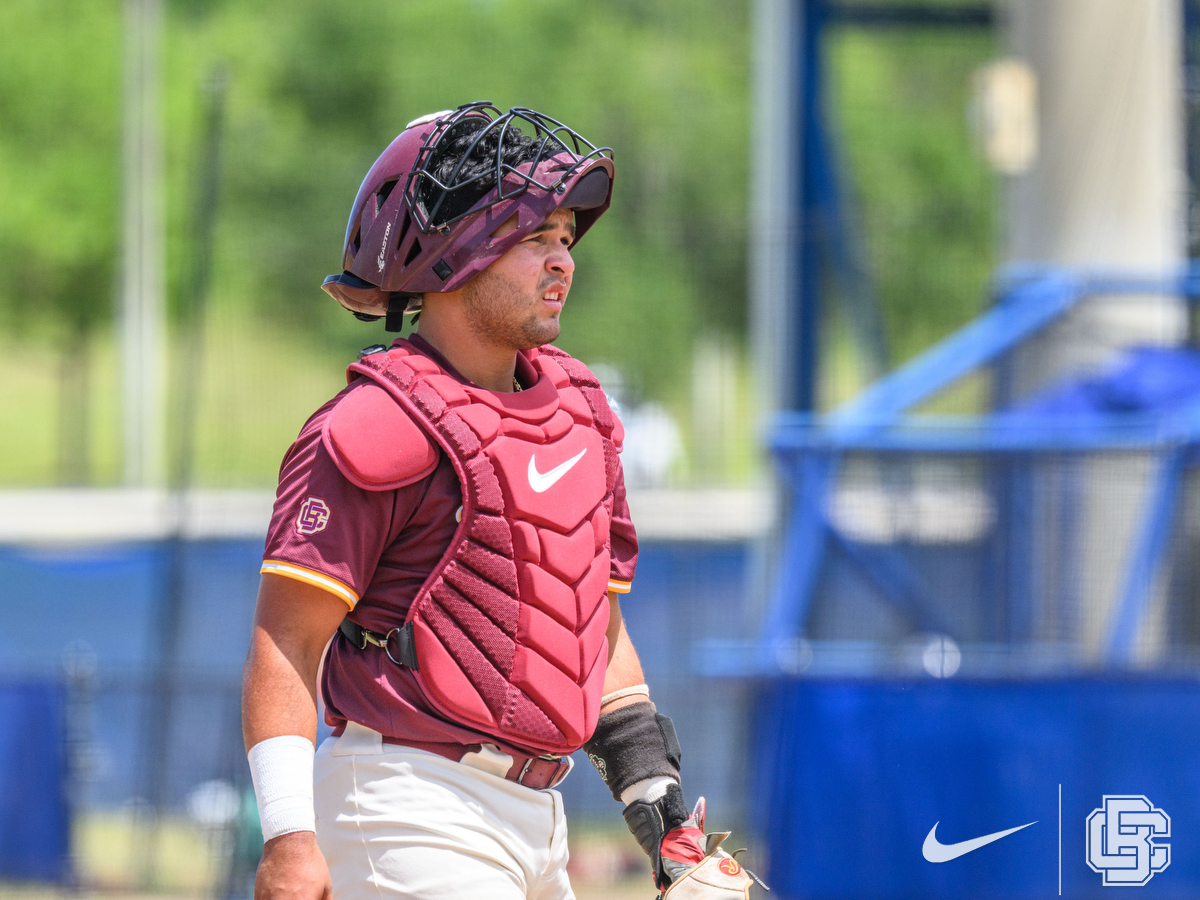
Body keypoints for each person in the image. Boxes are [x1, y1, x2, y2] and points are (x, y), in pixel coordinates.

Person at [241, 103, 757, 900]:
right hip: (406, 804)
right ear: (456, 256)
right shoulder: (379, 423)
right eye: (532, 238)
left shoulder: (579, 413)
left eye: (564, 238)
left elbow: (590, 629)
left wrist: (670, 831)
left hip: (537, 819)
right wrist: (287, 838)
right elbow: (286, 643)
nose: (563, 262)